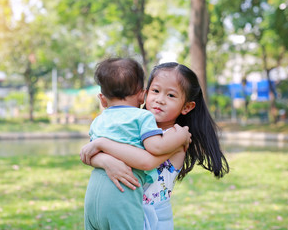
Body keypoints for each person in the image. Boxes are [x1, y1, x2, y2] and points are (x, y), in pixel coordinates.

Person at [81, 62, 230, 230]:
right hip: (123, 209)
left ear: (187, 107)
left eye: (171, 96)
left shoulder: (175, 137)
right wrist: (105, 161)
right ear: (144, 94)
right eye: (156, 91)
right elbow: (90, 153)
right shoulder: (135, 129)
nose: (160, 100)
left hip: (152, 218)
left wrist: (102, 145)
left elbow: (146, 161)